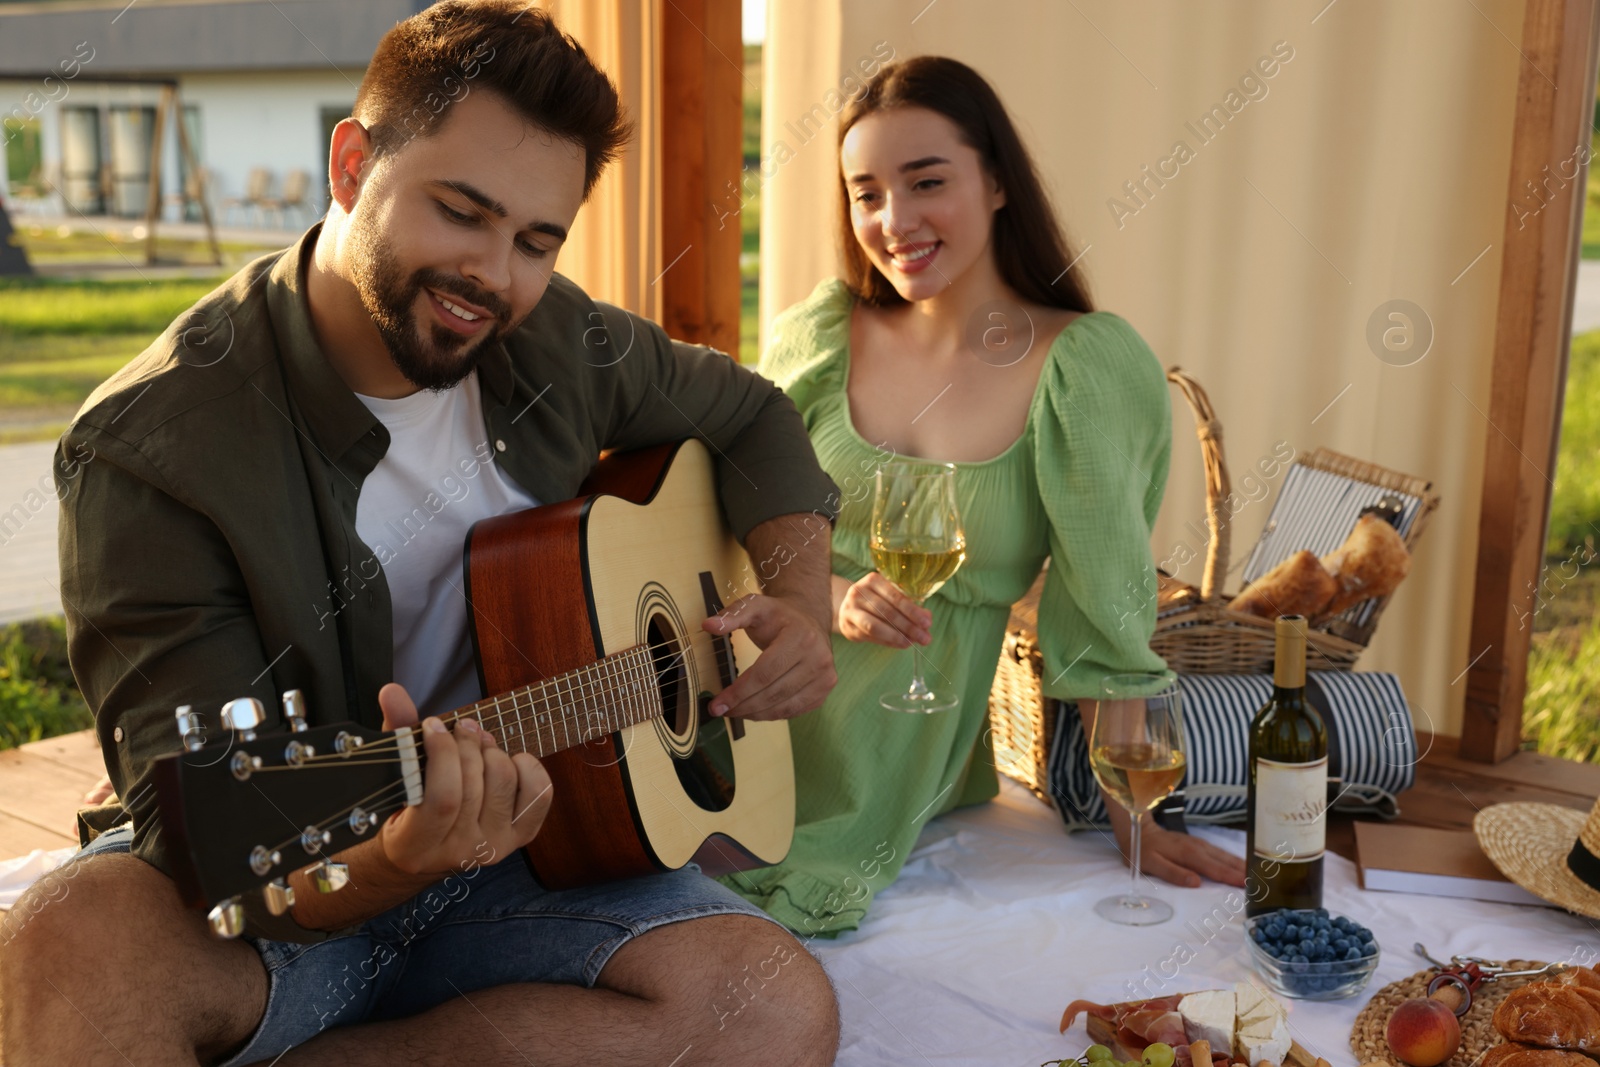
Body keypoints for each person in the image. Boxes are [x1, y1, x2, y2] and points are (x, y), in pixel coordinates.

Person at [0, 4, 842, 1065]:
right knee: (72, 937)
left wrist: (801, 601)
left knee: (773, 1004)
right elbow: (220, 839)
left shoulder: (552, 339)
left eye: (537, 239)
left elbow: (753, 414)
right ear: (351, 166)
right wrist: (401, 854)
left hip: (531, 853)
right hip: (296, 877)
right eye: (461, 211)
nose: (494, 273)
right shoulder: (151, 454)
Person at [722, 56, 1247, 936]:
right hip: (742, 695)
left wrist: (1136, 818)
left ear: (998, 181)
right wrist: (830, 592)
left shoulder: (1084, 366)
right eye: (867, 193)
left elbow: (1104, 609)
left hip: (889, 743)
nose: (894, 221)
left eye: (927, 182)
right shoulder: (818, 333)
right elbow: (721, 520)